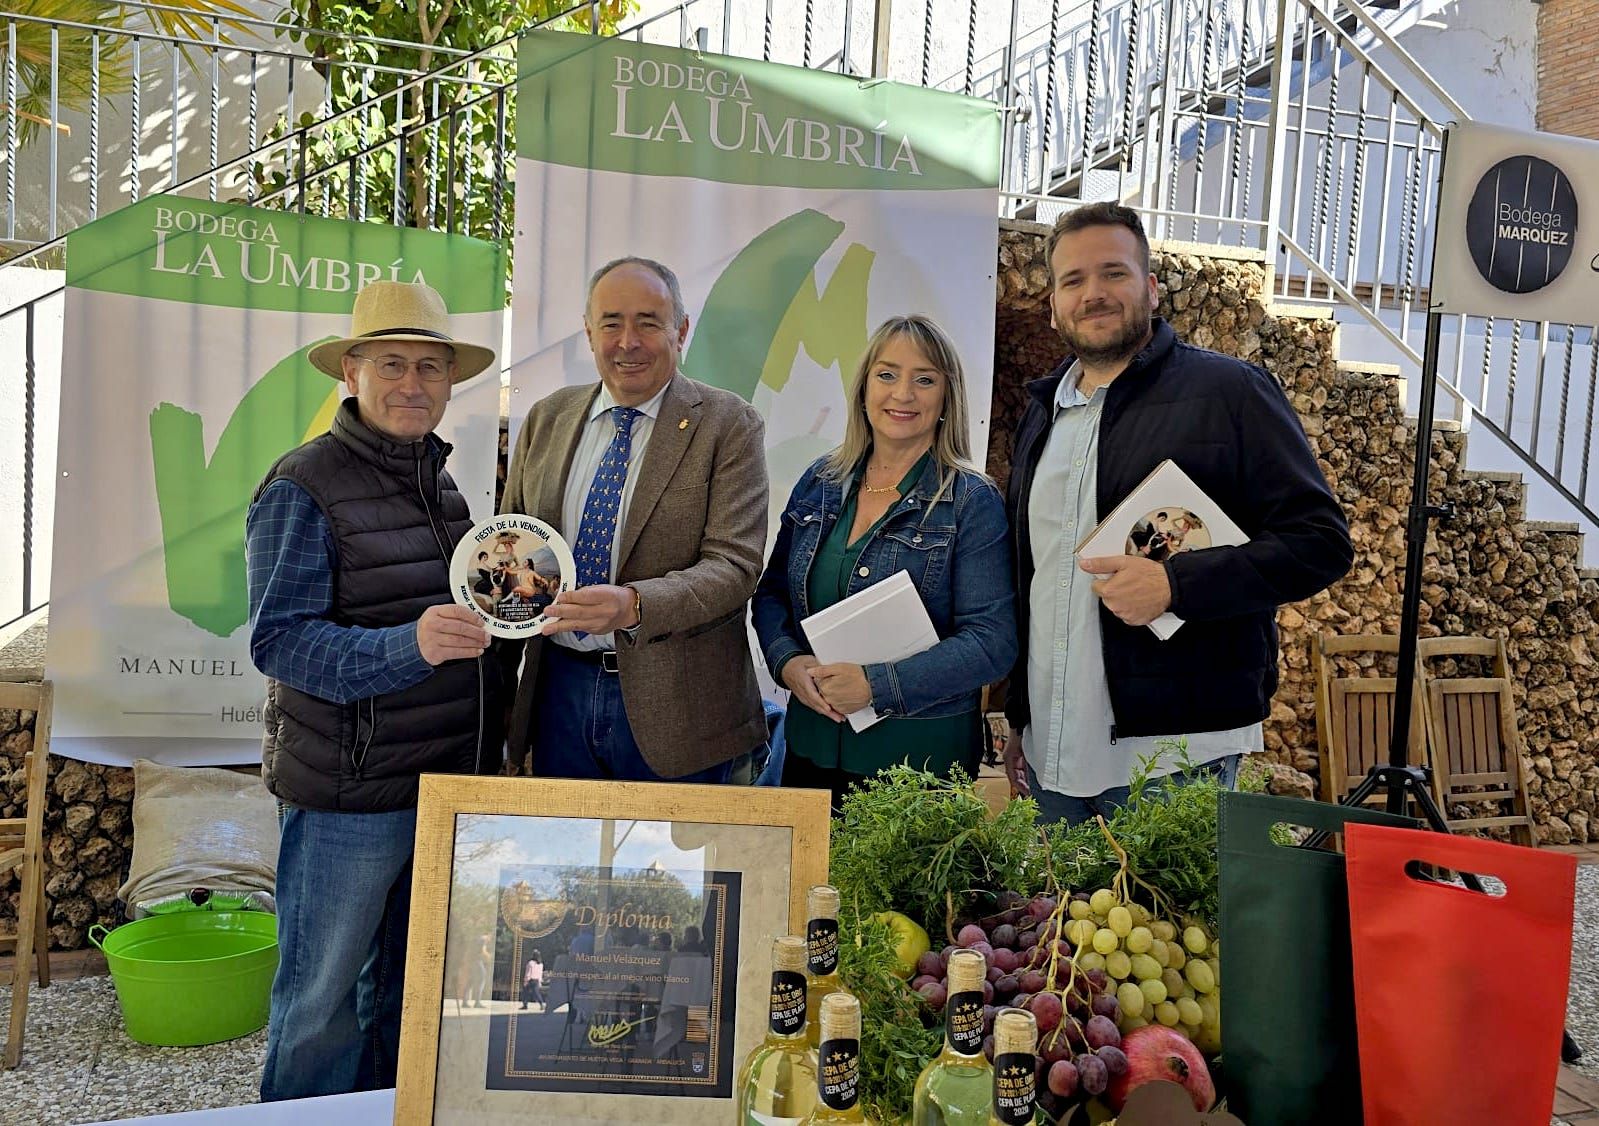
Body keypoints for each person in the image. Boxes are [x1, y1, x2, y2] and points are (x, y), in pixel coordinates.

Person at [1002, 202, 1353, 827]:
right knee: (1055, 926)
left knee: (1171, 927)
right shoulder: (1042, 414)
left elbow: (1320, 542)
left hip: (1172, 757)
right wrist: (1021, 718)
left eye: (1114, 273)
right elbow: (1039, 576)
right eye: (1073, 281)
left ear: (1152, 288)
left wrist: (1175, 584)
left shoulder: (1231, 392)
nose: (1094, 295)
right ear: (1054, 304)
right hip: (1051, 752)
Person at [246, 280, 506, 1100]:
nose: (412, 383)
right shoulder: (303, 484)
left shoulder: (442, 484)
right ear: (350, 374)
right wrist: (411, 645)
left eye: (430, 367)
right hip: (348, 800)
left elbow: (453, 620)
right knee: (318, 1006)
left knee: (405, 1000)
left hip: (439, 785)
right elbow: (279, 641)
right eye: (391, 363)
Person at [500, 256, 769, 783]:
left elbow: (735, 567)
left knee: (674, 868)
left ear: (681, 331)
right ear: (588, 331)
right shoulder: (546, 419)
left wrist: (634, 605)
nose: (628, 342)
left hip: (682, 710)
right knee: (566, 863)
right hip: (558, 695)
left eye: (649, 322)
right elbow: (512, 541)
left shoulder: (728, 424)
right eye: (611, 323)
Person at [752, 315, 1017, 810]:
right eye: (888, 374)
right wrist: (788, 663)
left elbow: (992, 644)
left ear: (946, 397)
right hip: (809, 752)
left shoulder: (970, 501)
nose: (903, 394)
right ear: (864, 388)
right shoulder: (821, 481)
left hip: (916, 771)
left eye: (924, 379)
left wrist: (875, 686)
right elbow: (770, 596)